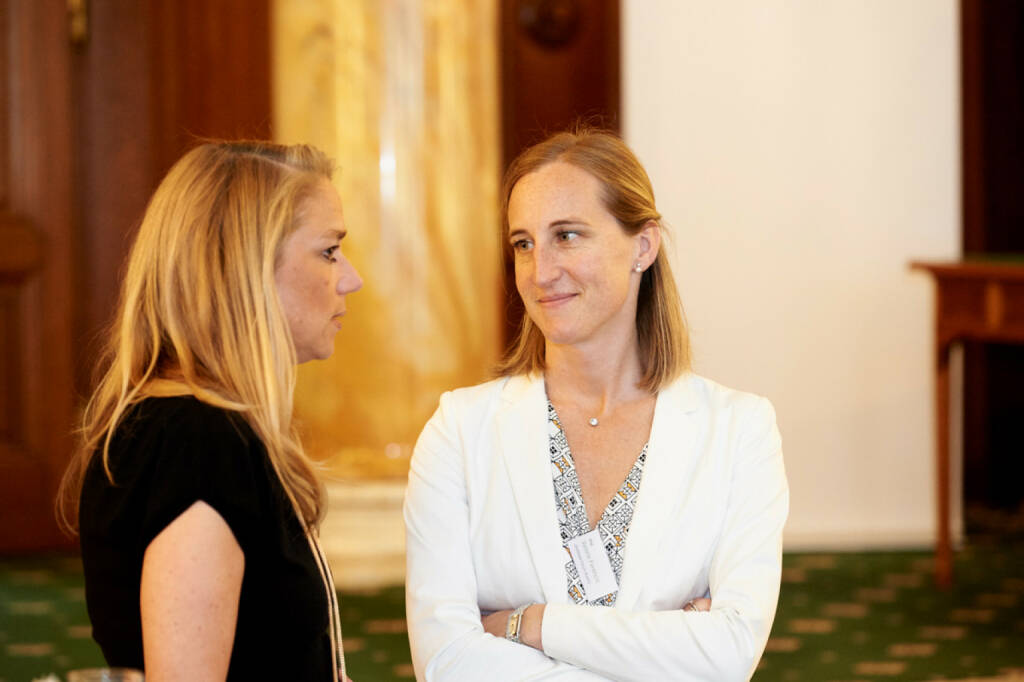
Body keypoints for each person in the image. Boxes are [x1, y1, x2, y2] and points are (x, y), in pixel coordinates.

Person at [404, 128, 789, 681]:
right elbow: (446, 663)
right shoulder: (460, 431)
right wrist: (666, 647)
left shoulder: (740, 430)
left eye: (567, 235)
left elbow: (728, 653)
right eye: (523, 243)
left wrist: (531, 625)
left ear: (643, 246)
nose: (540, 272)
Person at [57, 141, 362, 681]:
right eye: (329, 251)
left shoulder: (204, 429)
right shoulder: (195, 442)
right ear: (244, 266)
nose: (350, 278)